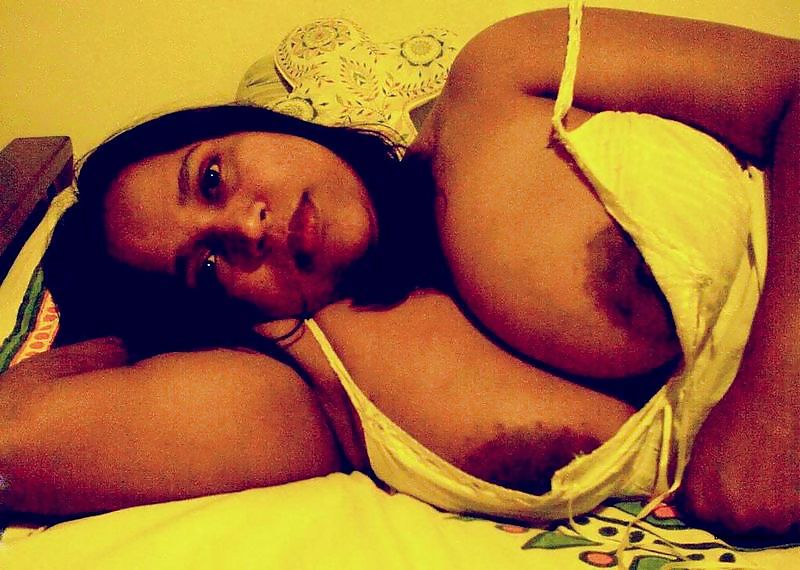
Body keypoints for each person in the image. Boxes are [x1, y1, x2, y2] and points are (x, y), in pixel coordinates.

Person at [1, 3, 797, 536]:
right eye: (204, 265)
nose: (245, 226)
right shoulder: (327, 388)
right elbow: (15, 439)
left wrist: (774, 398)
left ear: (251, 126)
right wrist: (111, 318)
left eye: (212, 177)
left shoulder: (505, 76)